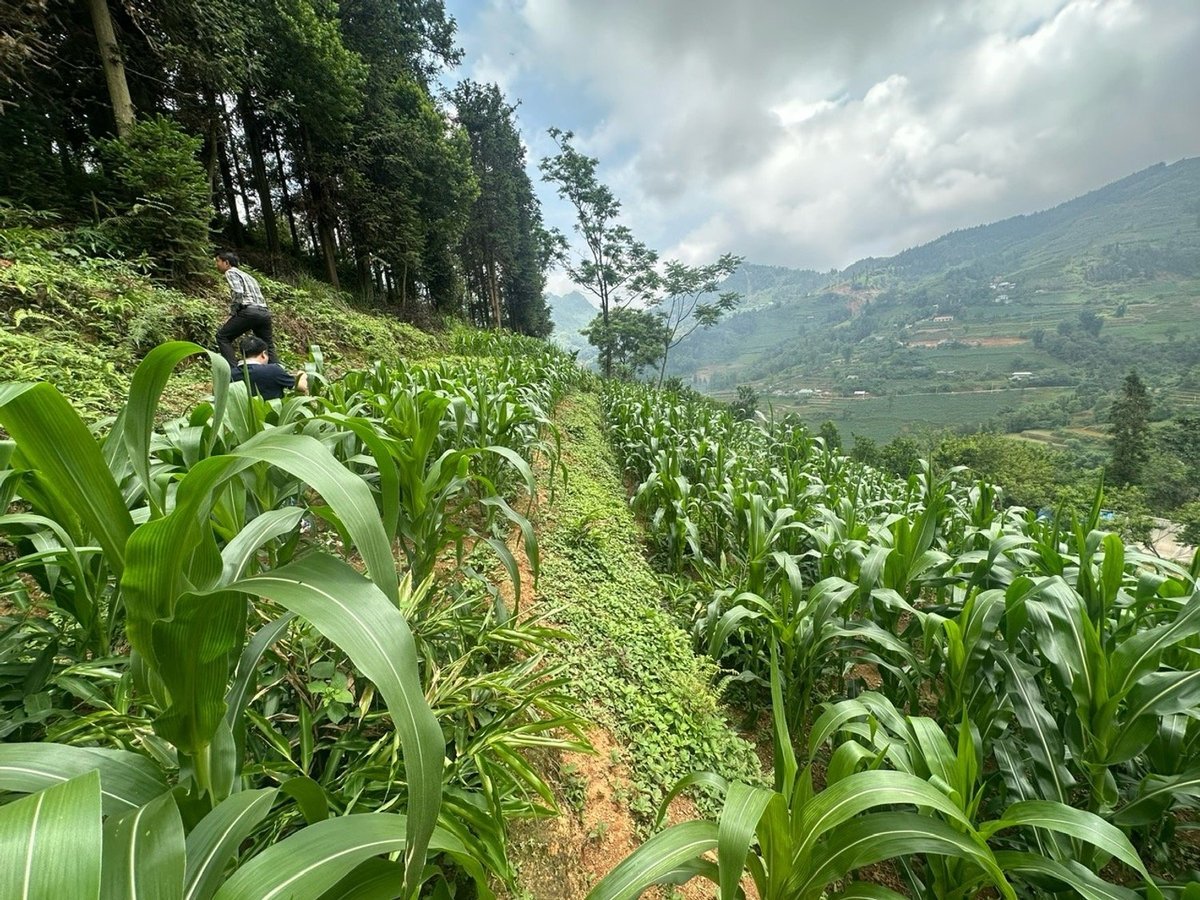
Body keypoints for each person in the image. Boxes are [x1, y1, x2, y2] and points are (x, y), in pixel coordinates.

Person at [215, 250, 276, 366]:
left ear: (226, 263)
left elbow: (238, 292)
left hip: (249, 312)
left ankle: (234, 371)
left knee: (222, 337)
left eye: (218, 261)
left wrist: (233, 313)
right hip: (264, 312)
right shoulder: (248, 276)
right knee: (267, 344)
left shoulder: (230, 272)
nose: (216, 265)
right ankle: (276, 371)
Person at [232, 336, 307, 400]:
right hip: (272, 415)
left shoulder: (231, 374)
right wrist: (302, 374)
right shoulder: (273, 370)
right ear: (263, 354)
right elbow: (301, 387)